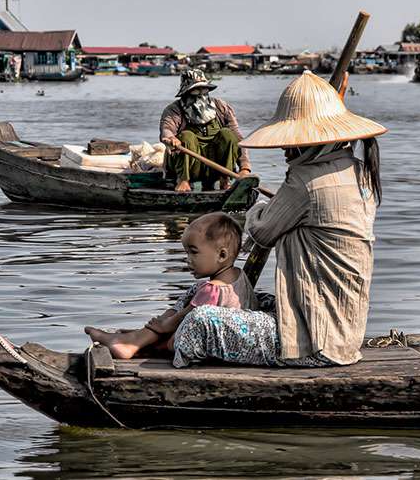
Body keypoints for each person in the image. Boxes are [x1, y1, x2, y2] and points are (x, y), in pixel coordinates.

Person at [168, 70, 387, 368]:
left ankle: (155, 344)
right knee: (217, 294)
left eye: (292, 141)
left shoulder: (306, 181)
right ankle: (147, 336)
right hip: (343, 333)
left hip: (314, 343)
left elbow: (261, 231)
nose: (285, 149)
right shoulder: (358, 171)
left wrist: (260, 208)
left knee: (200, 319)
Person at [84, 212, 257, 361]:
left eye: (194, 252)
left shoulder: (212, 289)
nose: (187, 259)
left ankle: (131, 342)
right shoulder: (239, 277)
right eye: (186, 252)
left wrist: (161, 325)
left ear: (221, 254)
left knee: (171, 317)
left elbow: (185, 317)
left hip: (205, 346)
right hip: (229, 344)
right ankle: (134, 339)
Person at [160, 69, 252, 192]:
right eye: (196, 90)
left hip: (216, 166)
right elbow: (167, 130)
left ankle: (224, 179)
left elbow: (238, 138)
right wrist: (171, 138)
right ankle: (183, 181)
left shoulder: (221, 107)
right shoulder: (173, 110)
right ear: (186, 91)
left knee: (228, 135)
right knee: (187, 136)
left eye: (204, 89)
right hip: (189, 166)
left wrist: (244, 168)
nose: (200, 94)